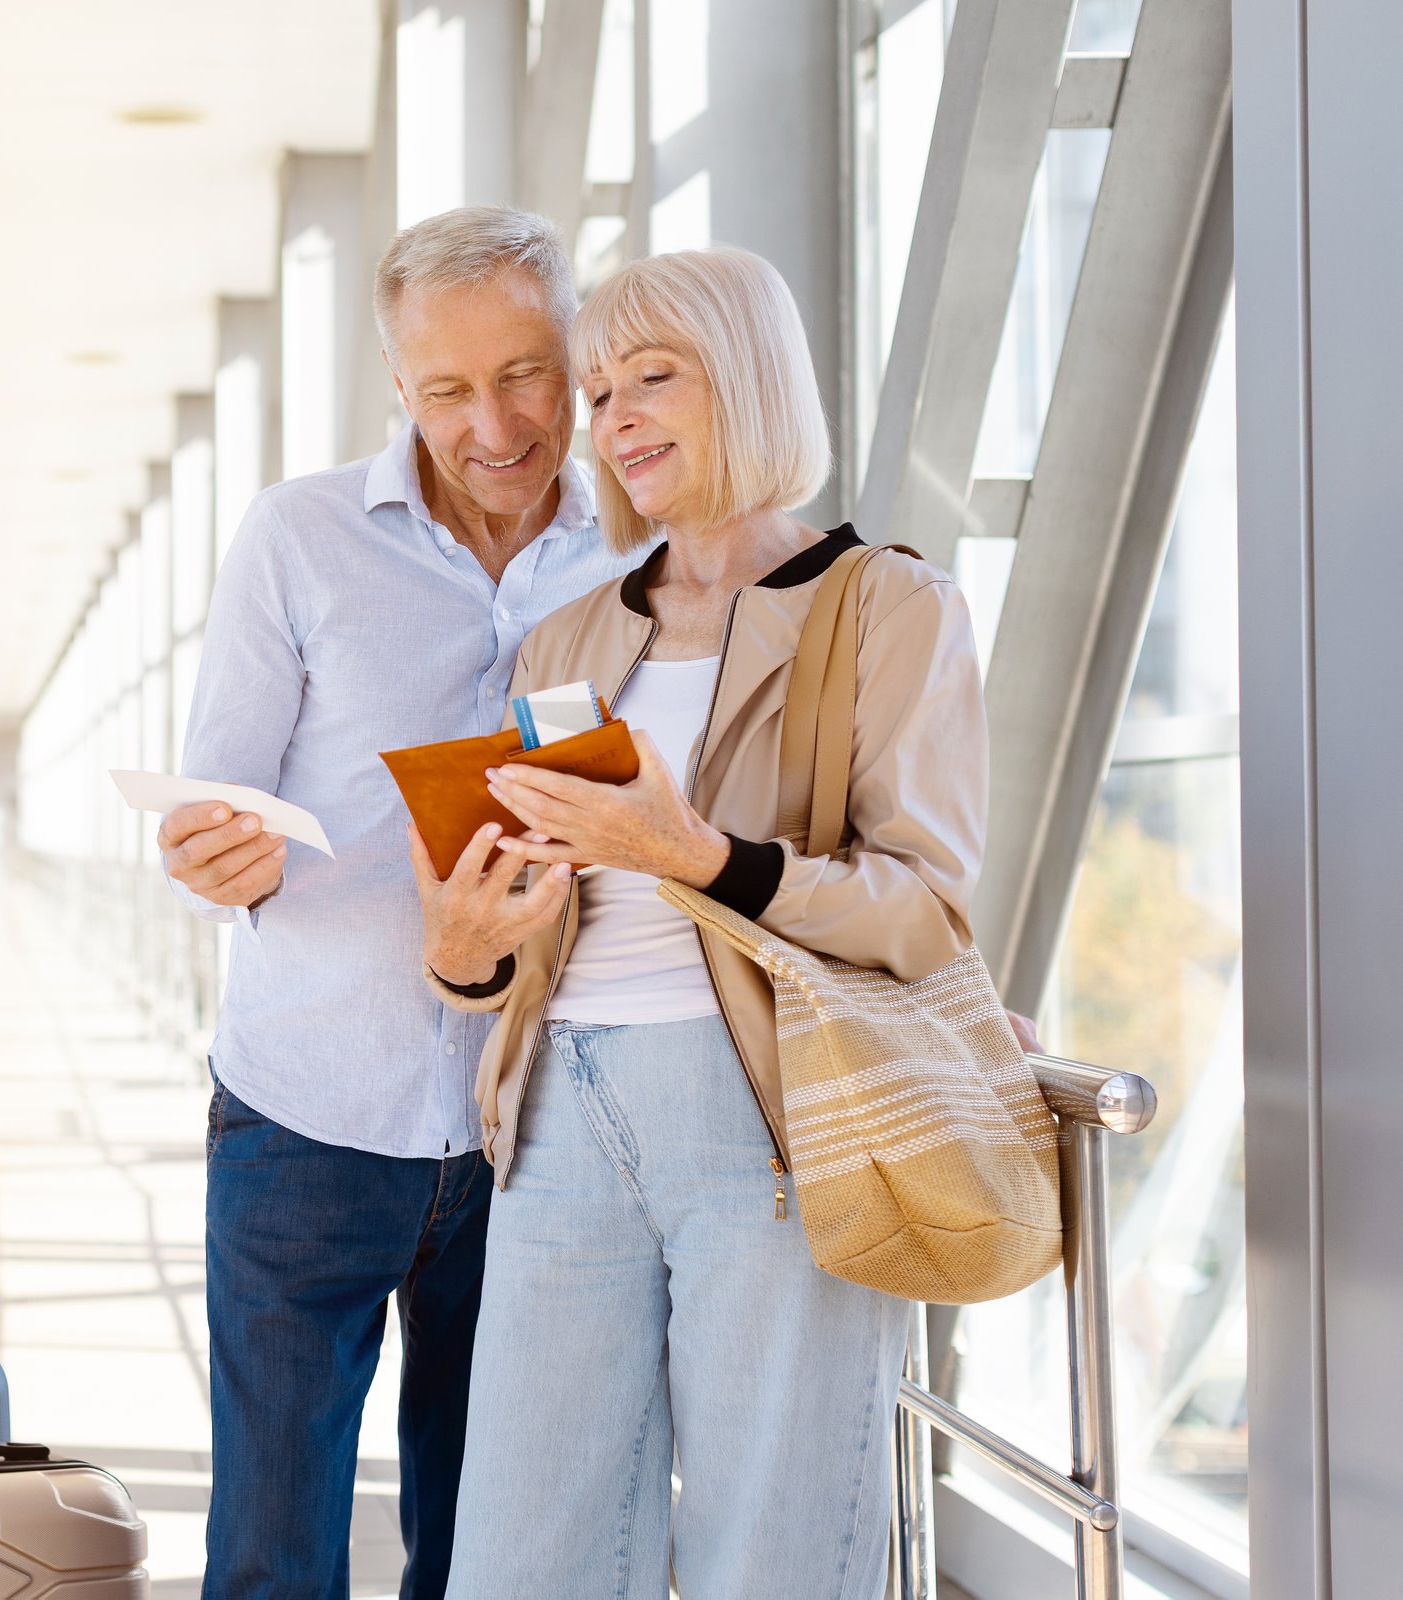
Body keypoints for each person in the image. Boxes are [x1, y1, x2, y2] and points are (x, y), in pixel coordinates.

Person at [413, 246, 988, 1598]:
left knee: (771, 1555)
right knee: (518, 1557)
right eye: (601, 388)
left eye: (652, 376)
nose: (613, 418)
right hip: (558, 1116)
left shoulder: (889, 607)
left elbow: (926, 909)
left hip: (773, 1118)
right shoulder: (568, 640)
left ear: (750, 378)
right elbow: (530, 917)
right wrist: (465, 952)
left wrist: (697, 855)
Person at [160, 206, 643, 1598]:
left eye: (525, 375)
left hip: (534, 1125)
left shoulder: (638, 559)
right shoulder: (298, 538)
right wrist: (209, 858)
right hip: (310, 1109)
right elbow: (219, 801)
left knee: (490, 1541)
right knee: (271, 1550)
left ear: (576, 356)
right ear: (399, 389)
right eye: (446, 390)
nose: (490, 425)